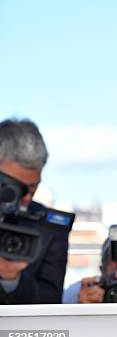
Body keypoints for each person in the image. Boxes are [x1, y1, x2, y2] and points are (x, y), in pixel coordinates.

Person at [0, 118, 70, 304]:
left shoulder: (50, 228)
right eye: (14, 188)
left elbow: (49, 303)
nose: (26, 199)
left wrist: (11, 279)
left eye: (32, 188)